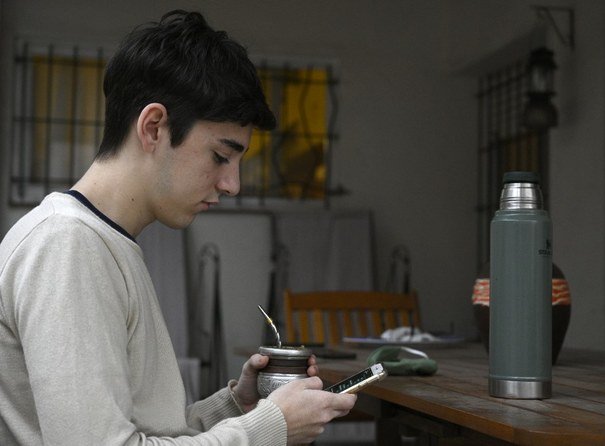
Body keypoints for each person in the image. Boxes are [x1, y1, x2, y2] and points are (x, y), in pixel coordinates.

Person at [0, 10, 356, 445]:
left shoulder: (103, 241)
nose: (233, 185)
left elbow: (139, 430)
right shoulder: (69, 246)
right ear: (153, 128)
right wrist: (268, 429)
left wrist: (234, 406)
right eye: (220, 157)